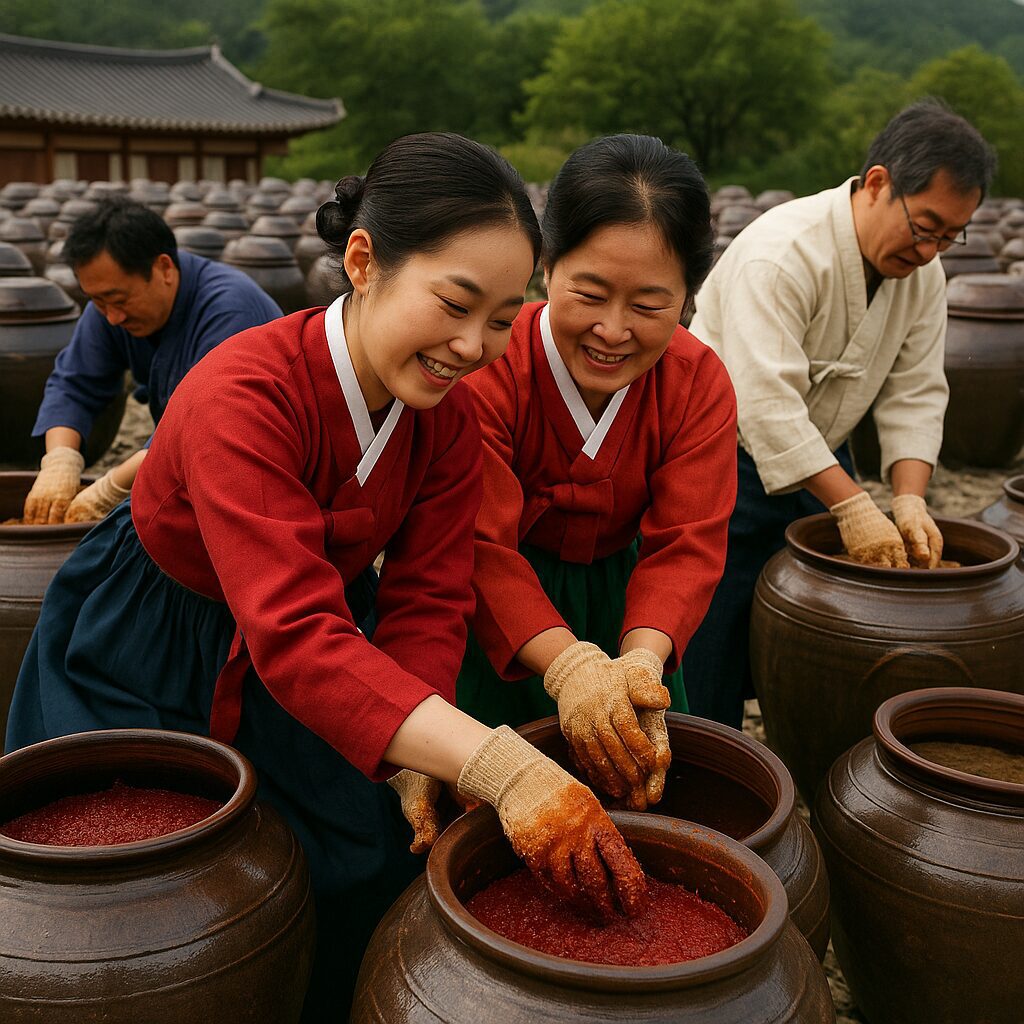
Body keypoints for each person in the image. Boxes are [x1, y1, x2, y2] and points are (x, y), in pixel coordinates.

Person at [5, 133, 648, 1019]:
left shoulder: (445, 421)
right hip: (154, 636)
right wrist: (497, 762)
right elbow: (292, 631)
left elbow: (428, 594)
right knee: (140, 898)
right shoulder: (244, 390)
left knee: (360, 858)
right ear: (363, 260)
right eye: (455, 303)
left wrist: (418, 756)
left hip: (320, 647)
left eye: (503, 319)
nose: (471, 346)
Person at [683, 99, 997, 727]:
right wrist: (852, 505)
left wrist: (908, 498)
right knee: (711, 632)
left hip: (823, 457)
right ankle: (704, 758)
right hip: (723, 458)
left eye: (950, 236)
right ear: (878, 183)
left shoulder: (921, 277)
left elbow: (915, 389)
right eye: (925, 225)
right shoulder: (783, 252)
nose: (932, 251)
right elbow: (764, 402)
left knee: (798, 632)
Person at [454, 135, 738, 812]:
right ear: (546, 267)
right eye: (590, 293)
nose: (613, 331)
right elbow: (480, 543)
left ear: (688, 296)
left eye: (648, 307)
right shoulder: (487, 370)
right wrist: (568, 665)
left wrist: (640, 662)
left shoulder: (697, 381)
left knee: (640, 793)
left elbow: (686, 542)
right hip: (503, 610)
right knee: (501, 804)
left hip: (631, 604)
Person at [22, 198, 282, 525]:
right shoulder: (110, 306)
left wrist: (111, 486)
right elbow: (74, 384)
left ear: (164, 269)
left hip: (258, 472)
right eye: (98, 302)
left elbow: (196, 427)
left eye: (118, 300)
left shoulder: (230, 311)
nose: (112, 317)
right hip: (179, 459)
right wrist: (60, 459)